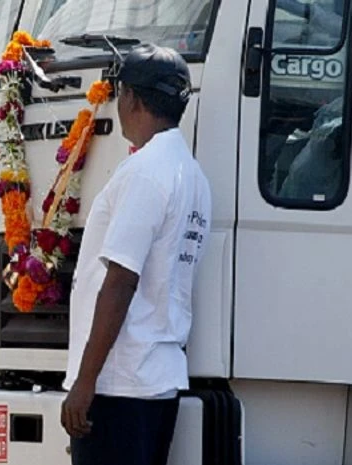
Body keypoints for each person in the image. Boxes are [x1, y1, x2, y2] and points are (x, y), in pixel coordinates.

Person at [60, 44, 212, 465]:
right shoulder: (192, 174)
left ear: (132, 98)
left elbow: (121, 280)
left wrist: (85, 382)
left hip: (118, 383)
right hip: (152, 377)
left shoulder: (146, 172)